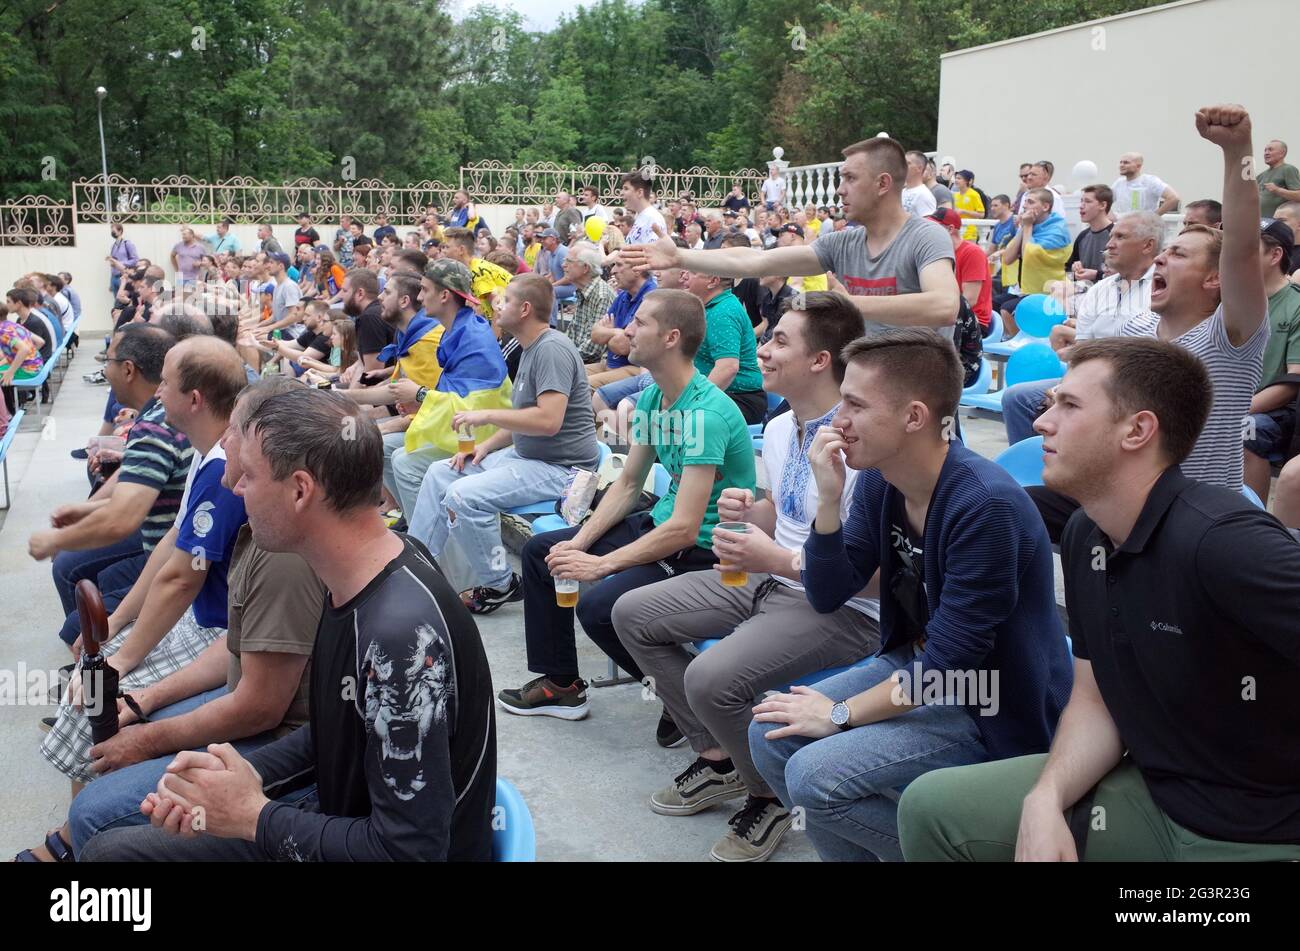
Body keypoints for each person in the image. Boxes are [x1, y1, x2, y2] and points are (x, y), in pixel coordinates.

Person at [899, 337, 1300, 862]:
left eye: (1069, 406)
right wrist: (1046, 800)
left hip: (1267, 831)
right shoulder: (1088, 533)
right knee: (931, 808)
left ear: (1137, 430)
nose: (1042, 422)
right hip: (1157, 795)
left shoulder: (1224, 541)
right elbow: (1093, 699)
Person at [80, 387, 497, 862]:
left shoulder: (397, 635)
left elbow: (411, 852)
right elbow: (332, 732)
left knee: (109, 857)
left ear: (300, 490)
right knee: (113, 849)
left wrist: (253, 816)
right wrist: (237, 781)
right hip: (347, 819)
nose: (236, 488)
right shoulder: (368, 572)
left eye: (251, 476)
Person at [747, 328, 1072, 862]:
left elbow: (951, 664)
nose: (836, 420)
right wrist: (828, 503)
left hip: (991, 698)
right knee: (772, 734)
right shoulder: (882, 478)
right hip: (918, 667)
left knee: (816, 776)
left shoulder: (984, 504)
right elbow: (829, 594)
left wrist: (839, 714)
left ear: (915, 417)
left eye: (853, 404)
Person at [613, 292, 881, 863]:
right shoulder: (783, 426)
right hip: (766, 578)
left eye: (780, 340)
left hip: (840, 608)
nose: (762, 350)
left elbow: (871, 577)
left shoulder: (864, 445)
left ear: (821, 361)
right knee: (630, 613)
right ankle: (721, 759)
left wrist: (775, 558)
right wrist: (749, 513)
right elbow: (782, 516)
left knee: (710, 677)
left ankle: (768, 795)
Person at [59, 379, 325, 858]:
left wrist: (145, 739)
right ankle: (69, 842)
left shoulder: (282, 546)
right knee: (106, 706)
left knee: (94, 813)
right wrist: (144, 701)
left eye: (237, 432)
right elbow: (236, 645)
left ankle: (75, 842)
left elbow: (261, 707)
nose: (225, 441)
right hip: (259, 707)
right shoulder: (258, 516)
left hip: (280, 742)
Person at [21, 338, 248, 863]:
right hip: (198, 617)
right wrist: (117, 625)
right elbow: (171, 544)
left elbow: (181, 581)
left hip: (215, 627)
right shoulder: (208, 450)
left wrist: (121, 658)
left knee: (95, 695)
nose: (157, 389)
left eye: (165, 381)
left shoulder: (222, 465)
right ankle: (78, 832)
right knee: (92, 673)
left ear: (192, 398)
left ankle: (75, 840)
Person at [496, 289, 756, 720]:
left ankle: (686, 698)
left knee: (599, 607)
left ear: (671, 338)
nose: (627, 329)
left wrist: (600, 565)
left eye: (641, 322)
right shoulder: (655, 397)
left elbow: (686, 529)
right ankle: (561, 684)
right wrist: (579, 543)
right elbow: (629, 483)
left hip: (706, 552)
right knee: (544, 553)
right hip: (660, 524)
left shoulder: (704, 415)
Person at [1026, 103, 1271, 541]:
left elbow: (1242, 245)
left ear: (1216, 278)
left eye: (1178, 254)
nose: (1161, 256)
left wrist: (1237, 154)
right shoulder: (1138, 329)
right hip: (1123, 498)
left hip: (1194, 518)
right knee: (998, 507)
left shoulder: (1232, 336)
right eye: (1163, 250)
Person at [623, 137, 960, 335]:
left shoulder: (925, 237)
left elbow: (945, 305)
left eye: (850, 179)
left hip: (920, 397)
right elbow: (758, 260)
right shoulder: (842, 243)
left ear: (883, 184)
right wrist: (681, 257)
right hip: (865, 387)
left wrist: (846, 306)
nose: (839, 190)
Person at [408, 274, 600, 611]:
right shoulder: (530, 348)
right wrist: (489, 445)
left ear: (525, 309)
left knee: (462, 496)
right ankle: (416, 571)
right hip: (527, 458)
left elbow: (548, 420)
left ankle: (500, 584)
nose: (496, 305)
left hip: (564, 471)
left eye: (506, 300)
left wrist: (487, 417)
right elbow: (525, 416)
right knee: (442, 472)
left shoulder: (551, 349)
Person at [30, 325, 194, 651]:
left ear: (129, 369)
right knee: (93, 579)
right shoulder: (159, 416)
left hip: (173, 555)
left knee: (71, 585)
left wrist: (54, 539)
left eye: (108, 361)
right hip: (167, 544)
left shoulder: (158, 423)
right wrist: (88, 509)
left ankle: (94, 664)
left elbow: (124, 518)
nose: (105, 370)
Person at [1001, 211, 1162, 445]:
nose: (1109, 244)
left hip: (1137, 386)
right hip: (1092, 379)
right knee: (1017, 398)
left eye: (1120, 237)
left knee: (1082, 407)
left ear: (1148, 245)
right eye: (1111, 236)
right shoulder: (1101, 289)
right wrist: (1067, 386)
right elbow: (1082, 349)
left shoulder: (1162, 289)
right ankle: (1031, 474)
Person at [387, 260, 511, 521]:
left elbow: (474, 410)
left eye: (424, 290)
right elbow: (454, 395)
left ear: (444, 295)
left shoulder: (473, 338)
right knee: (385, 448)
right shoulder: (457, 330)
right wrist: (418, 403)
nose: (419, 298)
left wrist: (420, 395)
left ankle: (432, 547)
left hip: (482, 437)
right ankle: (416, 525)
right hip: (461, 429)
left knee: (404, 463)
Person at [1243, 219, 1300, 500]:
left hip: (1275, 411)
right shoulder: (1229, 299)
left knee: (1245, 431)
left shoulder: (1296, 304)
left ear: (1275, 255)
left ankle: (1250, 522)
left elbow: (1293, 381)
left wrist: (1238, 409)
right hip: (1223, 398)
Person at [683, 267, 767, 424]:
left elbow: (728, 368)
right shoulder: (713, 307)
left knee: (662, 421)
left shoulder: (723, 312)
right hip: (720, 393)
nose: (684, 275)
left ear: (713, 281)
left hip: (739, 399)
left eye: (693, 272)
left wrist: (691, 401)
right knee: (640, 411)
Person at [996, 187, 1072, 334]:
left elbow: (1028, 257)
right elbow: (1008, 258)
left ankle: (1024, 342)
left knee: (1008, 309)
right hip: (1025, 289)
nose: (1024, 206)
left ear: (1045, 206)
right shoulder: (1030, 225)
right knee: (994, 303)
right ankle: (1014, 341)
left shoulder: (1057, 229)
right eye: (1025, 202)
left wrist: (1028, 226)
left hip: (1049, 291)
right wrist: (1024, 227)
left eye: (1030, 202)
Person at [588, 258, 656, 388]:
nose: (613, 271)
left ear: (637, 270)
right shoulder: (624, 295)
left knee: (580, 387)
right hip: (608, 363)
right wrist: (615, 332)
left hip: (635, 368)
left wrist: (607, 335)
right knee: (564, 375)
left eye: (619, 265)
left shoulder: (652, 297)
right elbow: (595, 334)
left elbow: (623, 346)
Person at [931, 208, 992, 331]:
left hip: (972, 321)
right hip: (950, 315)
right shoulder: (939, 252)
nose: (927, 231)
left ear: (950, 229)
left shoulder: (972, 252)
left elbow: (969, 300)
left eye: (933, 227)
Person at [560, 241, 616, 365]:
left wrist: (562, 358)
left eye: (569, 261)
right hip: (577, 359)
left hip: (590, 364)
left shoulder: (602, 295)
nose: (563, 265)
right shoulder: (583, 291)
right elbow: (572, 333)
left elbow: (593, 349)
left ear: (585, 268)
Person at [1110, 152, 1181, 214]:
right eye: (1120, 162)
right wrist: (1111, 216)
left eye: (1126, 162)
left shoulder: (1150, 181)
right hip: (1124, 226)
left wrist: (1154, 217)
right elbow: (1104, 202)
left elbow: (1174, 198)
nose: (1121, 165)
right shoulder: (1119, 183)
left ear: (1138, 166)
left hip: (1144, 227)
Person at [622, 171, 668, 247]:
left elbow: (653, 254)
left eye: (626, 189)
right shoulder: (641, 216)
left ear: (640, 192)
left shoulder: (653, 219)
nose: (621, 193)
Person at [1260, 140, 1300, 217]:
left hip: (1277, 223)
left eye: (1270, 150)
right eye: (1265, 150)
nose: (1266, 153)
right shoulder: (1261, 175)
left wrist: (1277, 190)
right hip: (1261, 223)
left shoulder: (1288, 169)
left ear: (1282, 153)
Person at [901, 151, 938, 218]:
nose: (903, 166)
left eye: (907, 163)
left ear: (919, 168)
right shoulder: (902, 192)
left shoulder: (924, 195)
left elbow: (927, 225)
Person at [951, 170, 985, 242]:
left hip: (970, 233)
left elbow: (981, 214)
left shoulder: (974, 195)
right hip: (957, 232)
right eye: (956, 178)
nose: (956, 180)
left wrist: (964, 211)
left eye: (959, 178)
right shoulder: (955, 195)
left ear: (967, 181)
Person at [108, 222, 140, 295]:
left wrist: (120, 263)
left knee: (123, 299)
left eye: (113, 231)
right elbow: (113, 265)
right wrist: (110, 282)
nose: (112, 233)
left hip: (123, 276)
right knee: (116, 302)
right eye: (111, 231)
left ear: (120, 231)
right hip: (114, 278)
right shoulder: (113, 246)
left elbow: (135, 259)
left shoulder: (127, 244)